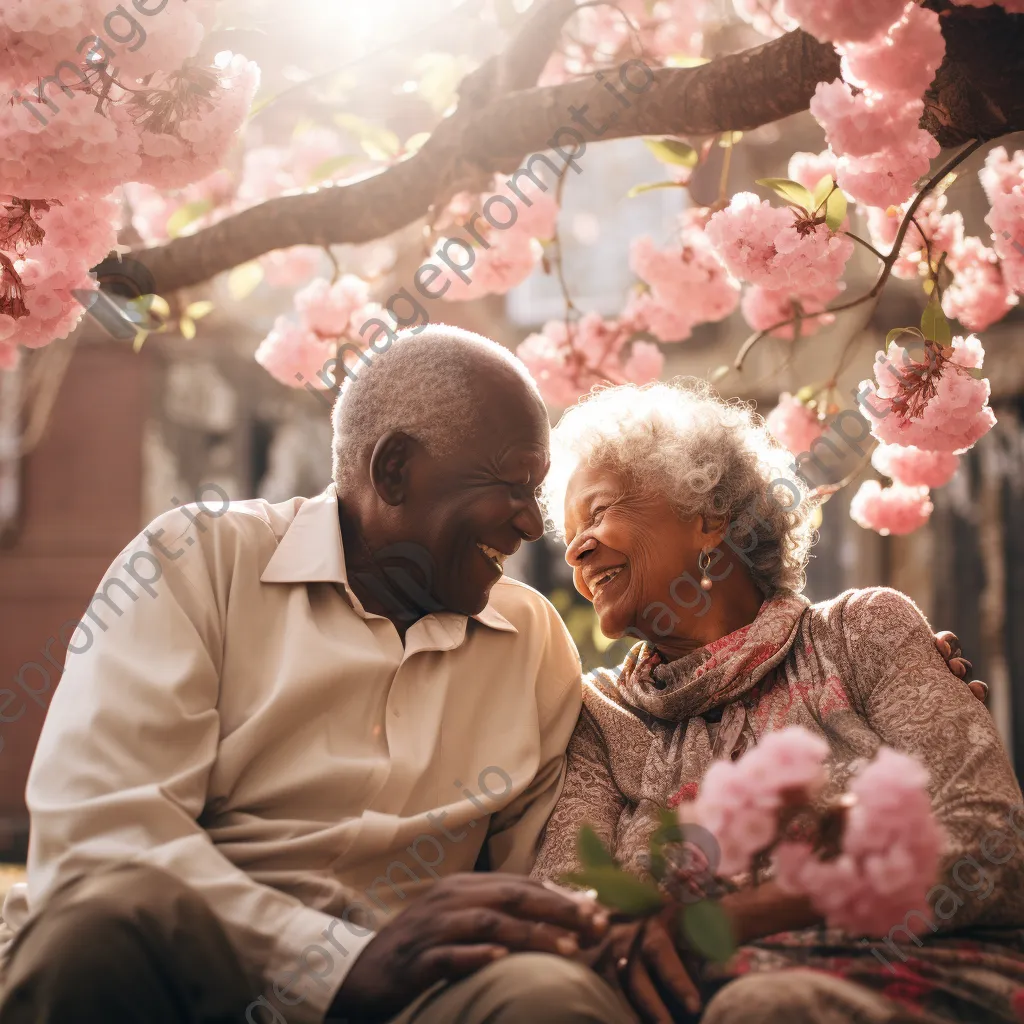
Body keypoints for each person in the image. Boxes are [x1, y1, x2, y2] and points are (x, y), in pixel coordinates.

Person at [0, 330, 984, 1024]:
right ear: (392, 472)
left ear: (707, 521)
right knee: (93, 927)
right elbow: (105, 835)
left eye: (548, 496)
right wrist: (337, 964)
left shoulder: (535, 645)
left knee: (549, 1000)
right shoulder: (192, 561)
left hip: (437, 983)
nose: (535, 526)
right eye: (517, 488)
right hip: (207, 939)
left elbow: (558, 893)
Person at [531, 378, 1024, 1024]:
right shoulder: (601, 715)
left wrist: (746, 915)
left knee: (763, 1008)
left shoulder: (861, 633)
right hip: (680, 1003)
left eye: (597, 514)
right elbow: (569, 902)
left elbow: (996, 840)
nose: (575, 548)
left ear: (708, 519)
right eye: (569, 534)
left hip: (907, 976)